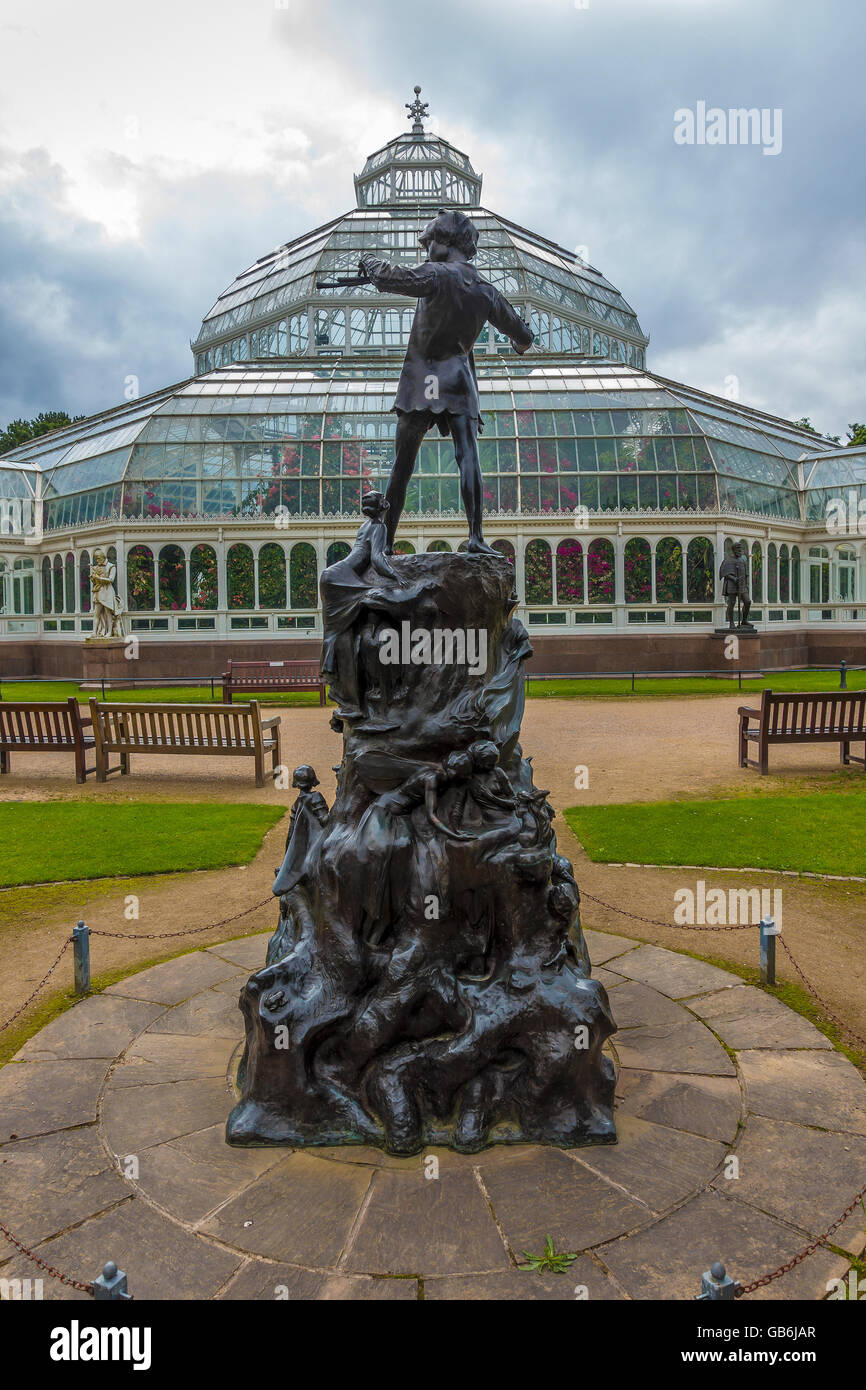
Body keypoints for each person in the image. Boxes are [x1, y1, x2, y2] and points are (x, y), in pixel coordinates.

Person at [359, 209, 533, 553]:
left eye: (430, 242)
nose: (427, 249)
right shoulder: (486, 291)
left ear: (445, 243)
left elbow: (391, 278)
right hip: (458, 381)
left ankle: (386, 544)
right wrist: (517, 343)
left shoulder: (436, 275)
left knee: (402, 464)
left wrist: (368, 261)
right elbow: (523, 335)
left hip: (423, 381)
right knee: (468, 456)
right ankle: (476, 537)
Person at [90, 548, 124, 637]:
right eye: (96, 559)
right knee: (96, 613)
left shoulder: (111, 566)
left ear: (103, 557)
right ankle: (94, 632)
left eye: (98, 558)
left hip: (108, 591)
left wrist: (99, 578)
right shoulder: (96, 567)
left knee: (108, 613)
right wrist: (93, 578)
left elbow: (111, 579)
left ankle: (109, 632)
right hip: (98, 591)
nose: (97, 561)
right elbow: (94, 581)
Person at [719, 542, 752, 628]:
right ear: (734, 550)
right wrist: (734, 579)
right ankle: (731, 623)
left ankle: (744, 620)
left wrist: (746, 584)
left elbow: (745, 574)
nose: (740, 551)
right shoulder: (728, 560)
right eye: (738, 549)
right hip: (732, 584)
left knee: (747, 601)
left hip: (742, 584)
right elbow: (725, 573)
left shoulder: (742, 560)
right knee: (731, 603)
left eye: (740, 549)